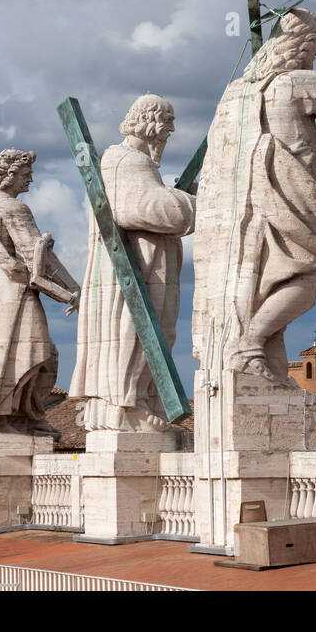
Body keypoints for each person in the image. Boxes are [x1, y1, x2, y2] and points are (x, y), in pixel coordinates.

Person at [193, 8, 316, 382]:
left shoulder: (233, 94)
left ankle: (254, 348)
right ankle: (249, 344)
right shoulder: (294, 84)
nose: (315, 57)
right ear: (301, 44)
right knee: (310, 276)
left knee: (266, 283)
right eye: (314, 47)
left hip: (240, 211)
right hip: (286, 199)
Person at [71, 95, 195, 432]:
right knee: (134, 334)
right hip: (135, 270)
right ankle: (126, 404)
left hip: (150, 266)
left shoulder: (138, 162)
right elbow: (145, 207)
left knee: (157, 335)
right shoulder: (124, 160)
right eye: (167, 126)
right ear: (152, 123)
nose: (169, 135)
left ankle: (140, 401)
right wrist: (197, 204)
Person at [0, 149, 79, 438]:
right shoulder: (14, 208)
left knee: (3, 356)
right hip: (16, 294)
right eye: (26, 174)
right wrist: (74, 289)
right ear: (9, 175)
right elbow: (36, 257)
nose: (31, 180)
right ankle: (25, 418)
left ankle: (10, 419)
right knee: (43, 355)